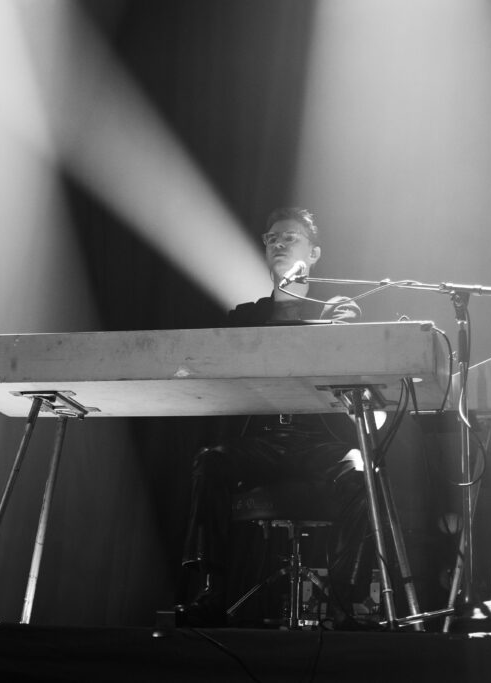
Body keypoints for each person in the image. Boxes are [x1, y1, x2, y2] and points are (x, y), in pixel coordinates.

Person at [176, 207, 369, 627]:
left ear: (314, 254)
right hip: (262, 438)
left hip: (318, 440)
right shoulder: (243, 318)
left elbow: (357, 377)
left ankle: (344, 602)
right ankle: (213, 593)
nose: (278, 244)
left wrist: (347, 329)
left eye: (290, 238)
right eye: (271, 238)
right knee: (211, 460)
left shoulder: (332, 312)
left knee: (360, 469)